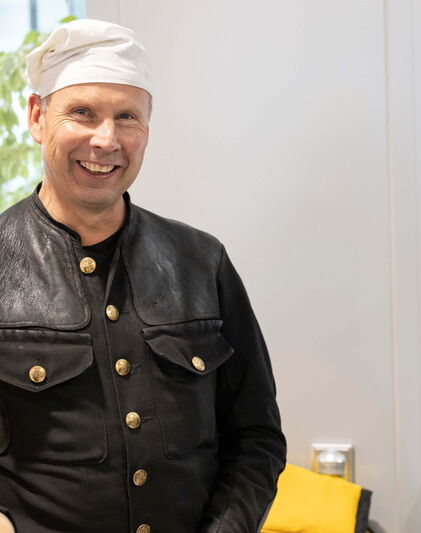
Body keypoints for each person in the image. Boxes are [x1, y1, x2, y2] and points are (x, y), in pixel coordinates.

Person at [0, 19, 286, 532]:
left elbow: (255, 437)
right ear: (38, 117)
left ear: (147, 130)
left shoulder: (202, 261)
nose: (106, 139)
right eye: (83, 113)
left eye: (127, 117)